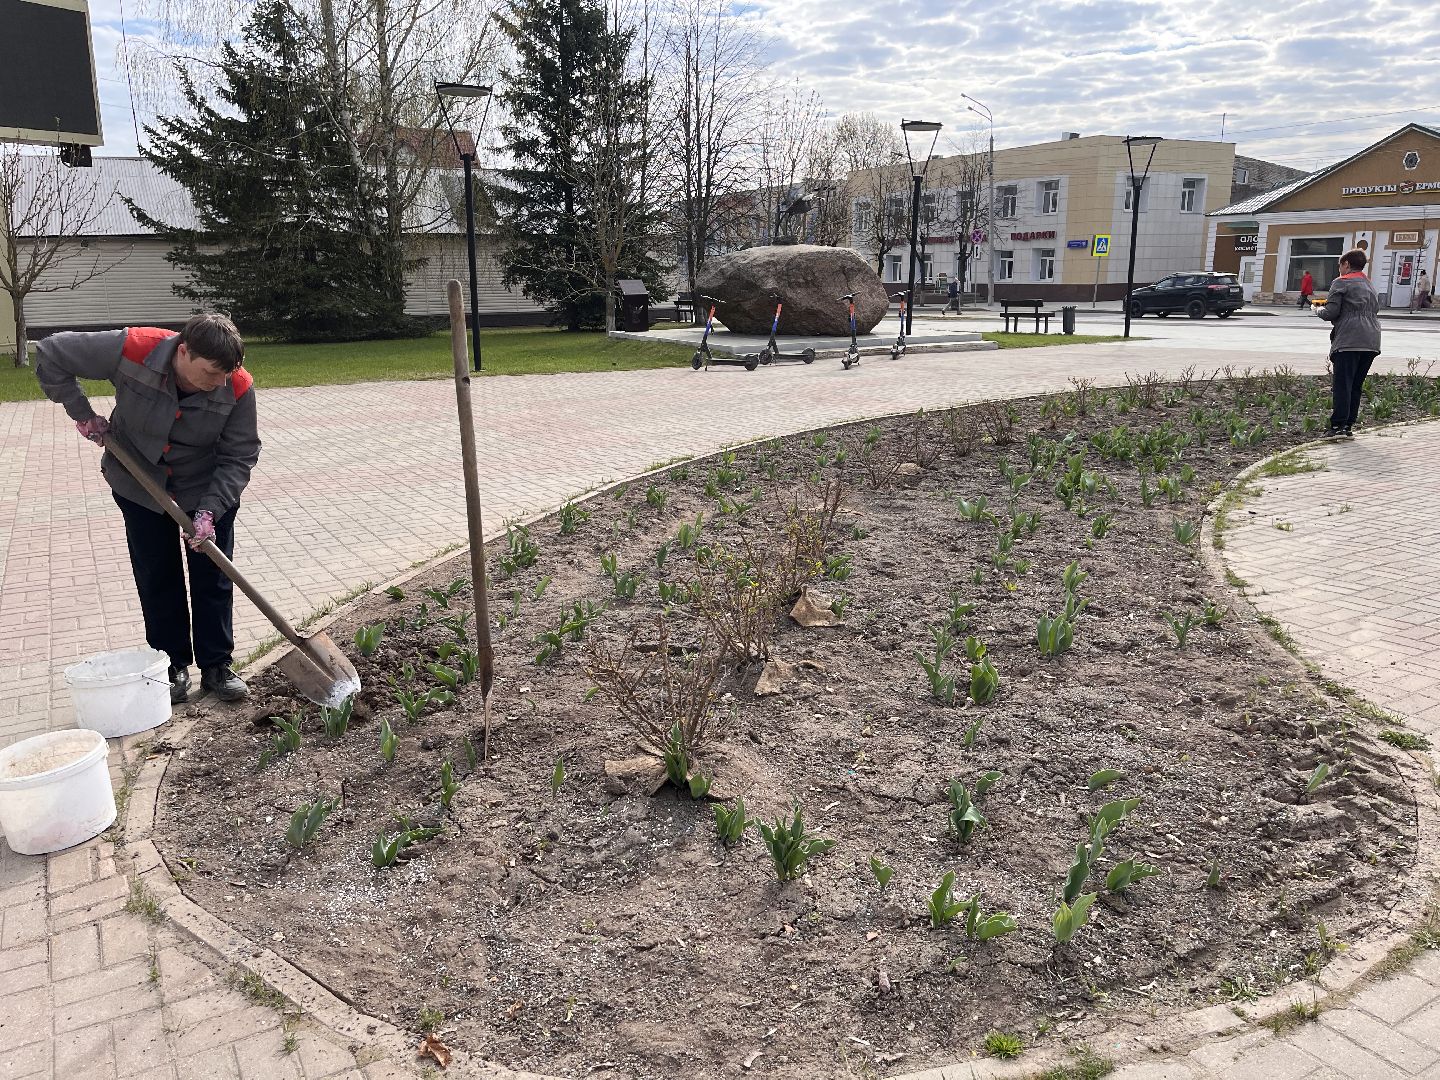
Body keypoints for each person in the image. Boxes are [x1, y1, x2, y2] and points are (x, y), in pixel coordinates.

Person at [36, 314, 260, 704]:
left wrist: (210, 511)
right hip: (138, 480)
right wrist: (82, 412)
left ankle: (217, 666)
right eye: (210, 373)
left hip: (205, 487)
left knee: (214, 576)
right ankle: (171, 664)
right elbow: (51, 351)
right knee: (157, 573)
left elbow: (240, 454)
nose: (218, 383)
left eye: (226, 374)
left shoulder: (237, 385)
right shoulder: (134, 348)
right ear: (184, 351)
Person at [1316, 249, 1381, 440]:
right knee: (1355, 385)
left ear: (1346, 265)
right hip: (1371, 340)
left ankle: (1337, 428)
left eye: (1339, 265)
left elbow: (1331, 313)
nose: (1339, 269)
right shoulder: (1370, 285)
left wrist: (1317, 310)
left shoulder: (1341, 282)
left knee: (1342, 385)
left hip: (1349, 340)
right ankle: (1348, 426)